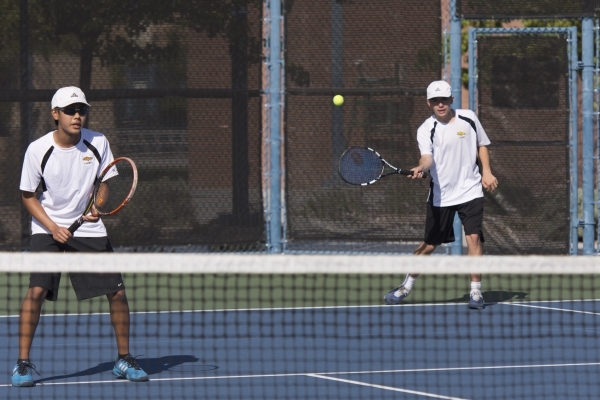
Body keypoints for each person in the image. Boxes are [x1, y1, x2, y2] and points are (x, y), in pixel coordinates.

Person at [11, 86, 149, 387]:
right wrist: (52, 227)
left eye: (82, 110)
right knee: (36, 290)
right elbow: (27, 196)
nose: (77, 115)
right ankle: (22, 365)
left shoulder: (98, 141)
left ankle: (124, 359)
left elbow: (103, 183)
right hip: (48, 227)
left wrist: (97, 206)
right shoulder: (38, 149)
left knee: (118, 292)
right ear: (55, 114)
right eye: (71, 110)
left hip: (88, 228)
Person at [384, 80, 498, 310]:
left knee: (473, 237)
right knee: (429, 244)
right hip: (442, 195)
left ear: (451, 100)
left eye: (444, 99)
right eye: (435, 101)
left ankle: (476, 292)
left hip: (471, 189)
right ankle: (406, 286)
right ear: (429, 103)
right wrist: (421, 168)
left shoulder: (469, 118)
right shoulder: (426, 129)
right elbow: (427, 159)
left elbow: (482, 145)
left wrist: (486, 171)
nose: (440, 104)